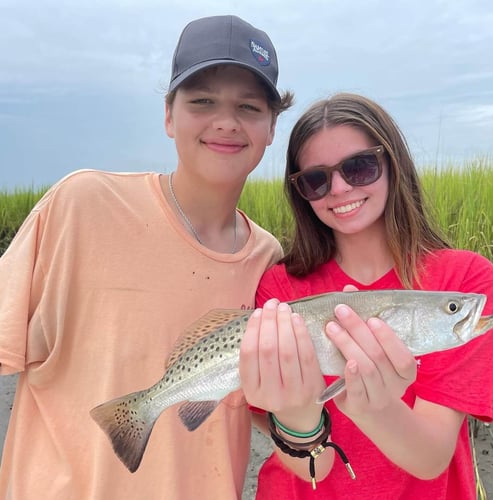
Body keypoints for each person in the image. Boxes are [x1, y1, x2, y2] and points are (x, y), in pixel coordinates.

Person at [0, 15, 293, 499]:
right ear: (168, 115)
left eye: (249, 106)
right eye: (202, 101)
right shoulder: (82, 205)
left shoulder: (269, 260)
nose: (226, 121)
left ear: (270, 129)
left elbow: (268, 408)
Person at [239, 93, 493, 499]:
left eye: (359, 167)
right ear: (300, 193)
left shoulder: (464, 280)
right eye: (316, 180)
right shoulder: (277, 290)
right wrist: (295, 415)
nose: (339, 189)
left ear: (392, 162)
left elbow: (431, 459)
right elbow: (314, 468)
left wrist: (375, 409)